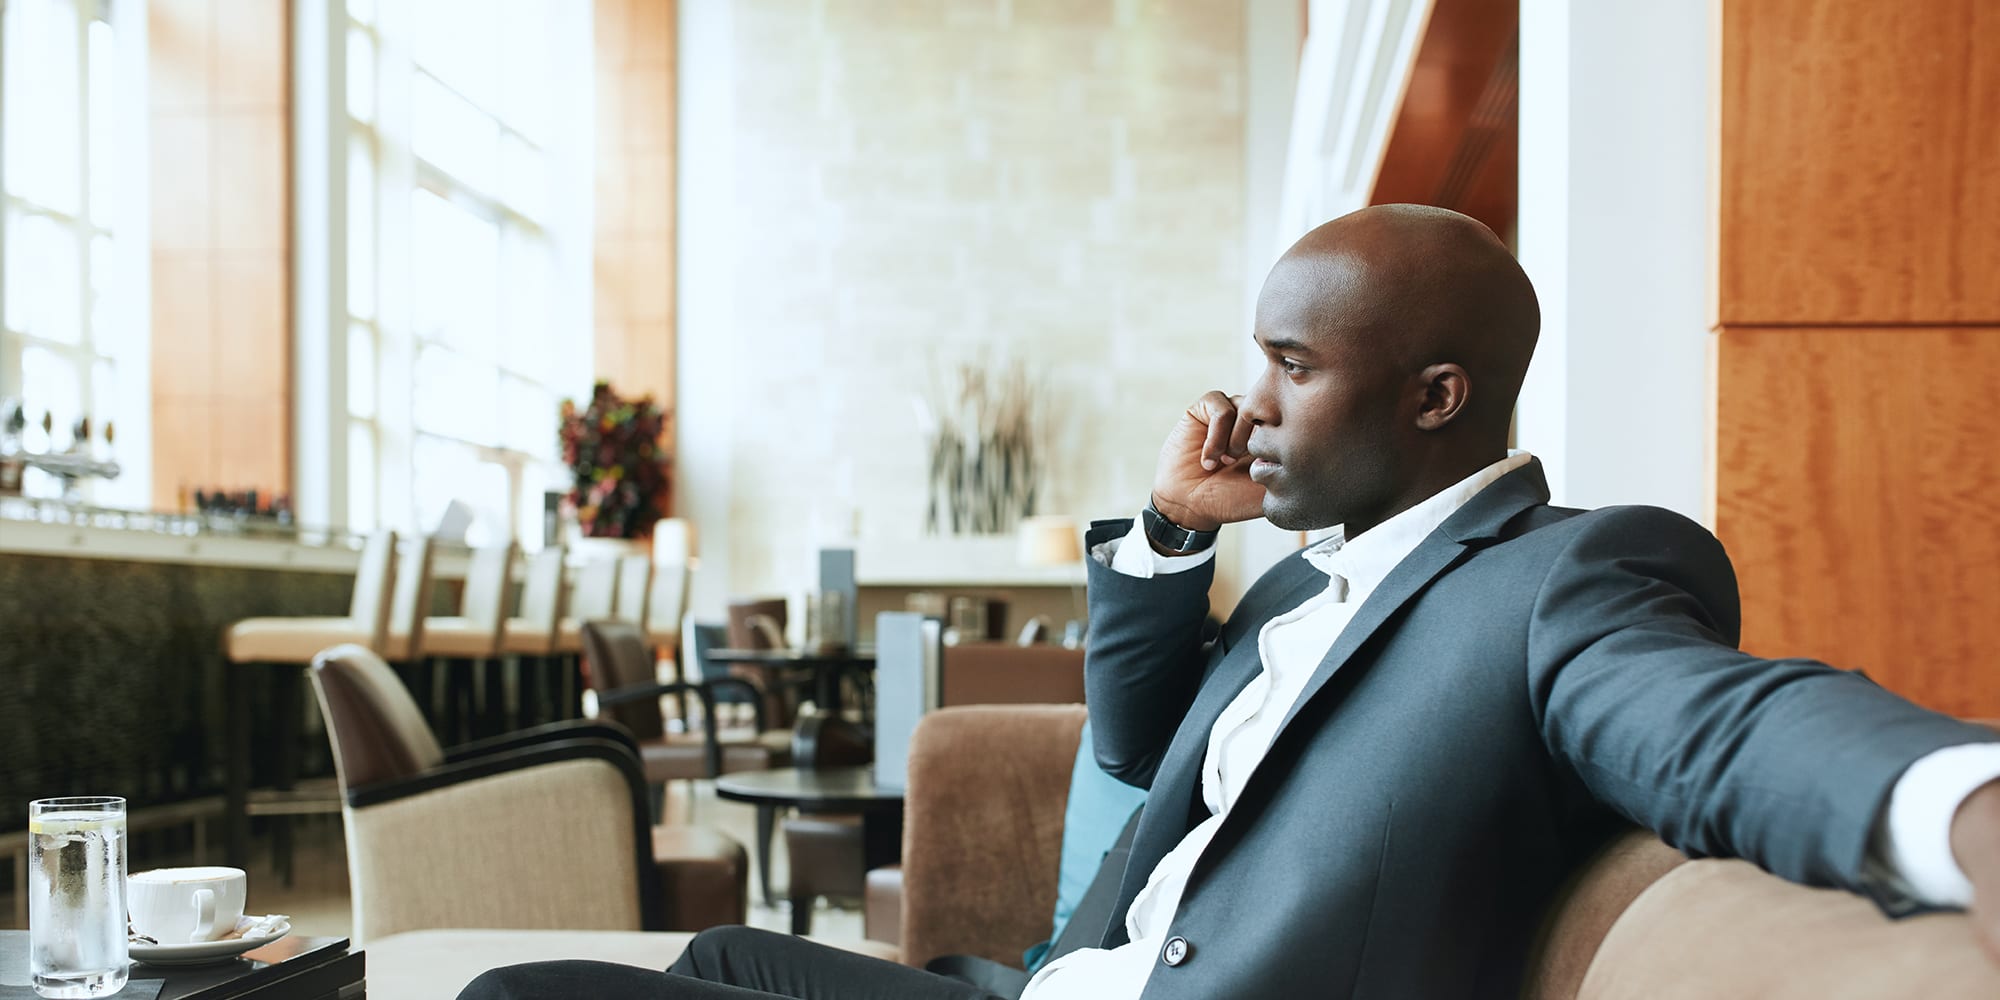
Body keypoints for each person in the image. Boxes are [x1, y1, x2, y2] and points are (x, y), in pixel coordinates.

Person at [462, 205, 2000, 999]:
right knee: (728, 960)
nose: (1240, 401)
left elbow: (1717, 727)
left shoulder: (1565, 579)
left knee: (519, 994)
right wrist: (1174, 538)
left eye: (1292, 365)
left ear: (1439, 396)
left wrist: (1966, 800)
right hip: (1051, 990)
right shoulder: (1289, 604)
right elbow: (1132, 739)